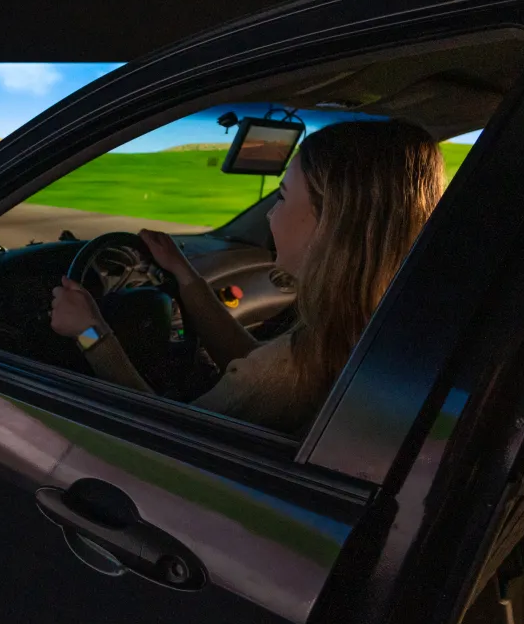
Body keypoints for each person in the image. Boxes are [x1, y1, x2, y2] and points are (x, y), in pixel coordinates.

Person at [49, 119, 446, 434]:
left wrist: (91, 333)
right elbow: (250, 363)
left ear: (332, 227)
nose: (271, 215)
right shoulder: (375, 333)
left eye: (283, 197)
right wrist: (184, 274)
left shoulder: (292, 369)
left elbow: (162, 437)